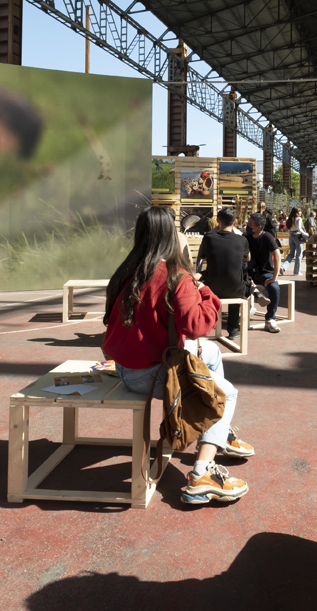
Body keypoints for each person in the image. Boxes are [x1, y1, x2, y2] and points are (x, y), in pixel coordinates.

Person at [102, 206, 255, 504]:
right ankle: (202, 473)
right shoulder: (175, 276)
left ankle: (215, 429)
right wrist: (206, 292)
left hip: (124, 366)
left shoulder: (127, 270)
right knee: (226, 393)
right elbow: (197, 325)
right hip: (149, 374)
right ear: (172, 236)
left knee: (212, 354)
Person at [196, 207, 251, 340]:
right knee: (240, 282)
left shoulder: (208, 238)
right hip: (235, 289)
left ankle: (211, 323)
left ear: (218, 220)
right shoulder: (242, 240)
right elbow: (247, 258)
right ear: (235, 222)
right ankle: (233, 330)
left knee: (207, 277)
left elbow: (203, 257)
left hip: (212, 288)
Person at [246, 213, 282, 334]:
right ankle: (248, 308)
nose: (247, 226)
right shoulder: (246, 236)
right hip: (248, 272)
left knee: (274, 288)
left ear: (259, 227)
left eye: (250, 225)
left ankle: (270, 318)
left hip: (264, 273)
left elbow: (277, 255)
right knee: (236, 282)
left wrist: (275, 277)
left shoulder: (267, 237)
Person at [281, 207, 307, 276]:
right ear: (296, 213)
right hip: (297, 235)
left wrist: (290, 237)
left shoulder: (290, 219)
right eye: (300, 211)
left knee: (291, 254)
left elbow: (289, 229)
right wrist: (305, 233)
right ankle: (296, 272)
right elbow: (299, 228)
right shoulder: (299, 219)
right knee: (299, 254)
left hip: (291, 235)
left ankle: (283, 267)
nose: (301, 212)